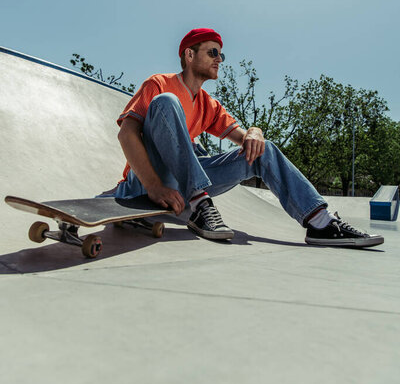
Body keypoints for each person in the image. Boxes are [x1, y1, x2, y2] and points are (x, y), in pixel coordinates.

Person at [109, 27, 383, 248]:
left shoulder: (208, 104)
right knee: (167, 103)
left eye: (222, 55)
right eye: (213, 52)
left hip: (183, 182)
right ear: (189, 56)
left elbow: (244, 139)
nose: (220, 59)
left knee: (264, 150)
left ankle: (320, 222)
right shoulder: (160, 84)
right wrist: (154, 185)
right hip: (147, 180)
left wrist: (255, 132)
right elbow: (127, 133)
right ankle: (200, 204)